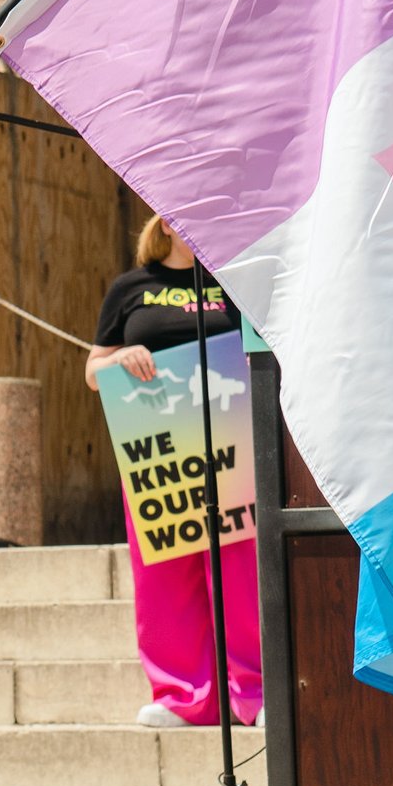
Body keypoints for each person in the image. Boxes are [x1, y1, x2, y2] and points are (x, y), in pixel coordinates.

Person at [88, 214, 261, 730]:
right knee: (163, 572)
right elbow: (93, 373)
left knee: (240, 568)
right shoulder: (130, 288)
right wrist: (122, 358)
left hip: (231, 442)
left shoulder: (233, 282)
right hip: (157, 448)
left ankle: (253, 692)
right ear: (162, 221)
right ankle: (182, 697)